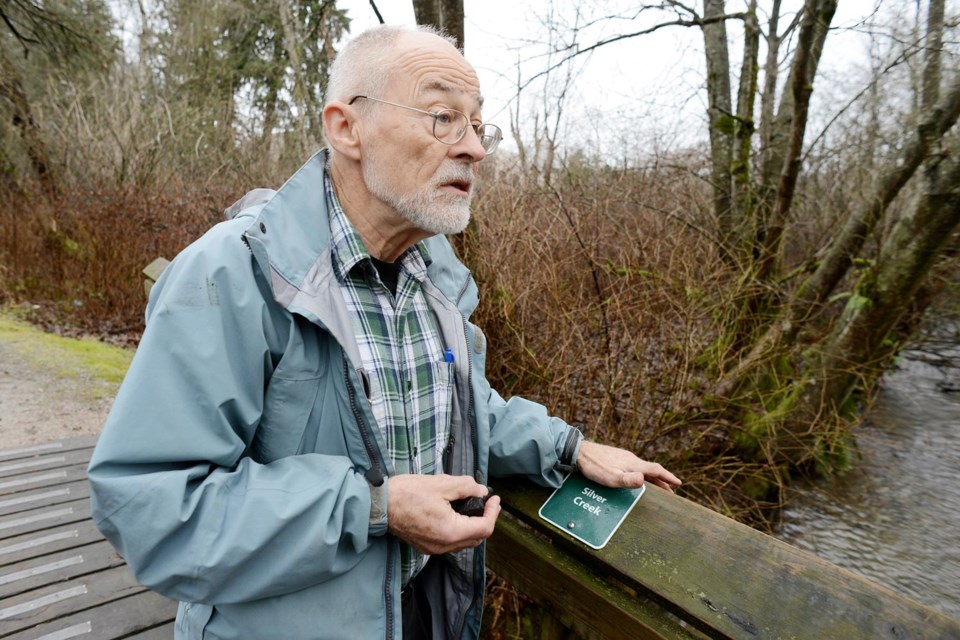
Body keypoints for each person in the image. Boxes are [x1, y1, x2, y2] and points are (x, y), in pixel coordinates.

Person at [87, 24, 681, 640]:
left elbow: (462, 408)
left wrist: (568, 448)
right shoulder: (234, 272)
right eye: (444, 116)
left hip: (420, 612)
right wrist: (375, 509)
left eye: (478, 126)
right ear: (347, 127)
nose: (473, 148)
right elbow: (149, 504)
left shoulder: (435, 279)